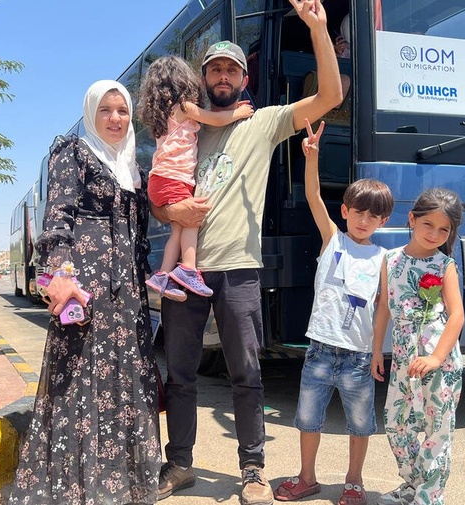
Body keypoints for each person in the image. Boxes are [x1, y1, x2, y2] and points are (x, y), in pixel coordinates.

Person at [152, 0, 344, 503]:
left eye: (231, 68)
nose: (222, 75)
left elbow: (330, 94)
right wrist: (175, 215)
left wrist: (319, 30)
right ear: (203, 77)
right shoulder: (183, 127)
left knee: (247, 374)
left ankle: (253, 470)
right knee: (180, 373)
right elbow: (159, 200)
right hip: (186, 275)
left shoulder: (263, 123)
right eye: (214, 67)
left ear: (243, 76)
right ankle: (180, 465)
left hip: (238, 268)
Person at [7, 80, 160, 504]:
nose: (115, 119)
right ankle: (75, 486)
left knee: (124, 380)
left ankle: (118, 483)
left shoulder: (132, 167)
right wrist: (57, 272)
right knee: (79, 378)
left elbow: (139, 235)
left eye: (123, 111)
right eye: (106, 111)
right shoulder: (73, 152)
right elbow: (57, 214)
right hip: (84, 286)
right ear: (92, 115)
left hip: (127, 292)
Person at [274, 120, 393, 505]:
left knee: (361, 424)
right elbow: (311, 195)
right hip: (321, 349)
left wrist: (377, 351)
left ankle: (353, 481)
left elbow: (383, 309)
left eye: (373, 216)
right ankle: (307, 477)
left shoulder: (382, 258)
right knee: (308, 418)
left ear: (383, 221)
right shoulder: (333, 239)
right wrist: (312, 156)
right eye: (358, 212)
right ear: (344, 211)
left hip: (358, 357)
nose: (364, 220)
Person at [371, 188, 465, 505]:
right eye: (429, 225)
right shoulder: (391, 259)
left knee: (437, 430)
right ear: (412, 219)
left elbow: (457, 316)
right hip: (403, 360)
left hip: (440, 362)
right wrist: (376, 351)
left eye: (444, 229)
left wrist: (437, 357)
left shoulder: (444, 265)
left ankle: (430, 496)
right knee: (396, 424)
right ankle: (413, 484)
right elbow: (384, 306)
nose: (435, 234)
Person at [138, 55, 254, 301]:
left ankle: (163, 276)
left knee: (177, 231)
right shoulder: (183, 107)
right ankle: (189, 269)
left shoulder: (164, 114)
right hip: (174, 179)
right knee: (191, 221)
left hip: (160, 180)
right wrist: (239, 113)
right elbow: (215, 118)